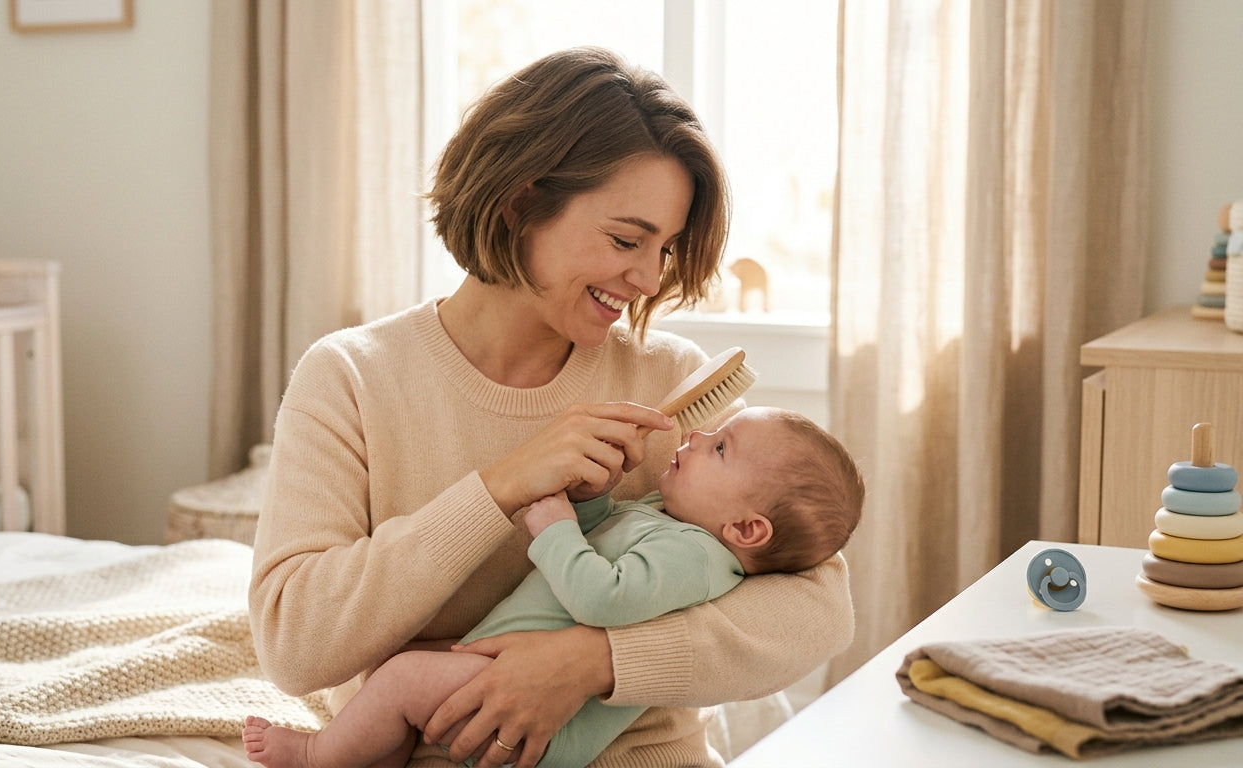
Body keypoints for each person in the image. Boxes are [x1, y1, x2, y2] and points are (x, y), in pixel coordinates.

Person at [247, 45, 856, 768]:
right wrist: (501, 488)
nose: (647, 278)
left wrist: (595, 660)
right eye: (627, 239)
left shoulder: (672, 384)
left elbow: (820, 613)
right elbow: (295, 643)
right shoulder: (351, 377)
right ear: (521, 203)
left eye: (665, 248)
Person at [243, 406, 864, 768]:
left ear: (748, 529)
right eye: (625, 240)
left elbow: (604, 597)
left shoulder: (696, 554)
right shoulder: (673, 517)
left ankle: (317, 756)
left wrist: (558, 536)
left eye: (719, 447)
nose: (693, 437)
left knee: (405, 677)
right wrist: (589, 505)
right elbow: (609, 552)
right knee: (404, 670)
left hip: (545, 730)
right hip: (494, 678)